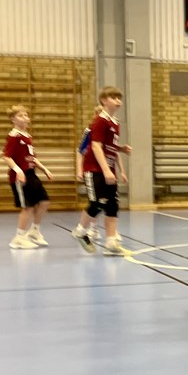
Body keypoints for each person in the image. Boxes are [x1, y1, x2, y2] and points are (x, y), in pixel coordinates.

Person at [71, 87, 130, 256]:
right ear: (104, 100)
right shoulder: (100, 121)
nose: (118, 101)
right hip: (95, 169)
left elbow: (107, 145)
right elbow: (96, 146)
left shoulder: (115, 122)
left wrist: (121, 148)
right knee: (97, 203)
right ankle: (80, 231)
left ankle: (111, 243)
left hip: (108, 168)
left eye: (119, 98)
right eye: (113, 97)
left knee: (112, 205)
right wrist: (106, 170)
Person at [2, 105, 53, 249]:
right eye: (20, 115)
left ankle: (34, 231)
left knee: (44, 202)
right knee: (28, 207)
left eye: (26, 115)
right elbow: (6, 156)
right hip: (20, 176)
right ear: (13, 119)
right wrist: (18, 171)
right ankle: (18, 238)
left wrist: (44, 169)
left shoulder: (27, 137)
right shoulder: (14, 136)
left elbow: (32, 158)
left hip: (32, 174)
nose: (25, 118)